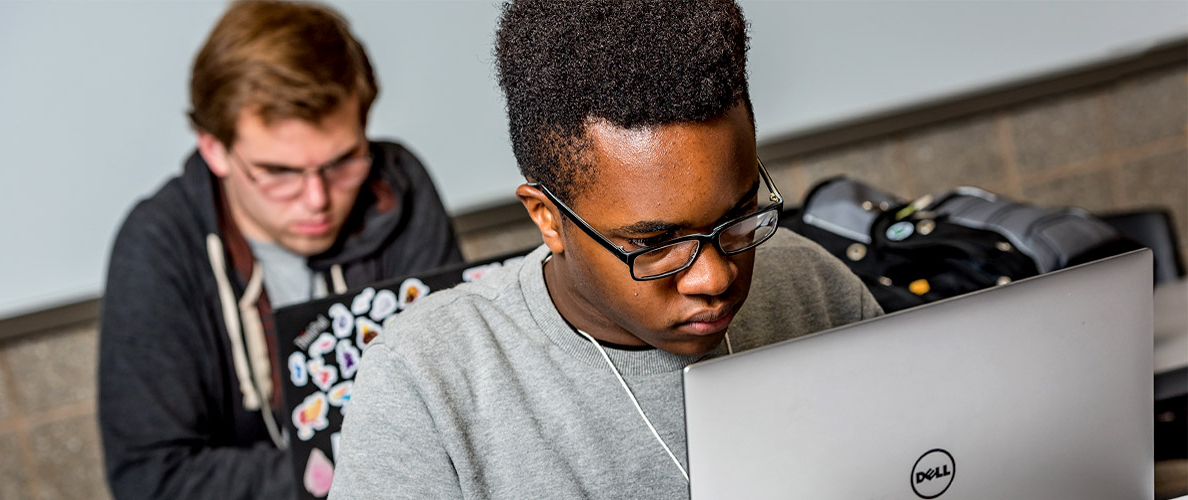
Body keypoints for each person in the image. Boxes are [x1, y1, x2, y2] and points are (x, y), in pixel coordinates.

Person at [329, 0, 880, 498]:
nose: (713, 277)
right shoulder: (426, 383)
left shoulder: (815, 289)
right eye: (654, 243)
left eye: (738, 218)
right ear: (547, 218)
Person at [97, 1, 463, 498]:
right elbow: (153, 480)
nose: (317, 200)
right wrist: (352, 467)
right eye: (279, 173)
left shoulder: (398, 188)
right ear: (215, 150)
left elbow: (456, 393)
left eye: (343, 162)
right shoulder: (157, 246)